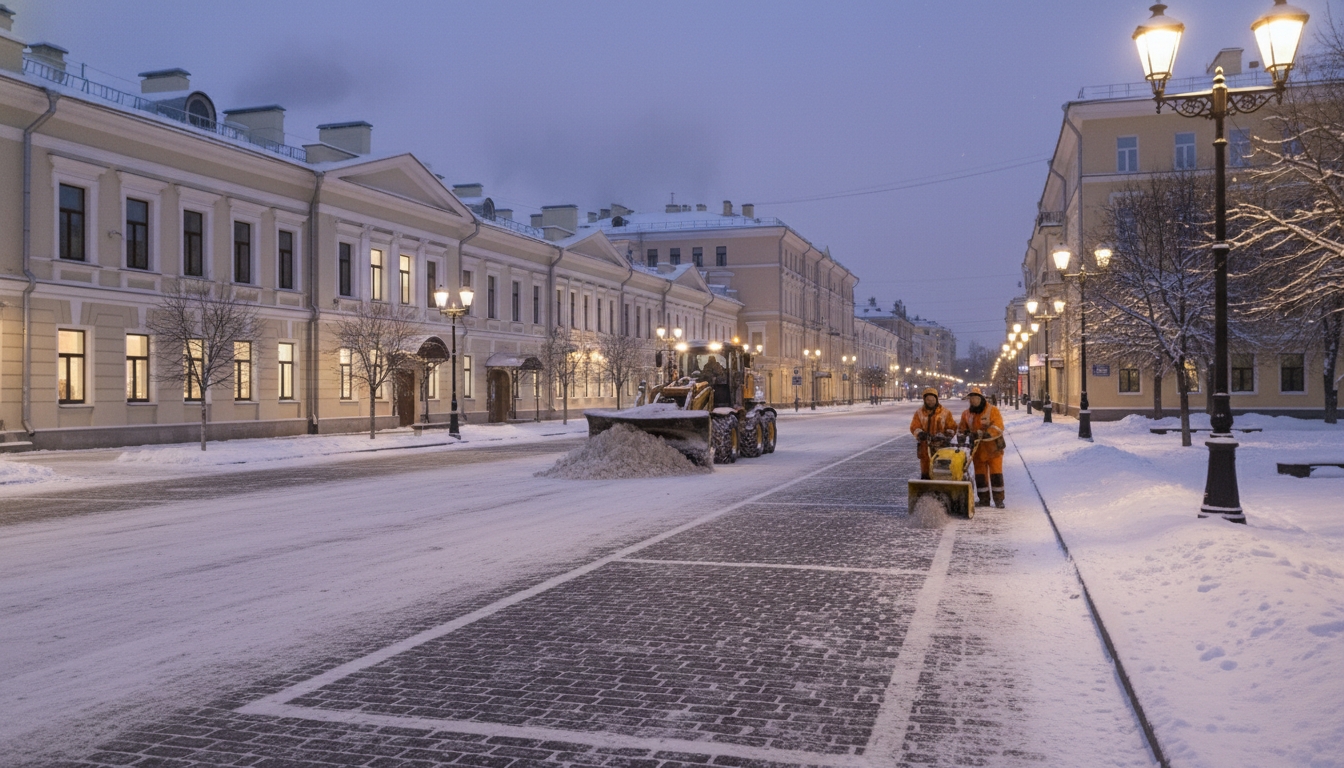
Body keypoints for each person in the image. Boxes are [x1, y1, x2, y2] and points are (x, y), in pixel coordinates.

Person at [959, 386, 1006, 508]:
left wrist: (987, 433)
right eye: (971, 398)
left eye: (976, 398)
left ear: (981, 398)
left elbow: (998, 426)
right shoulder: (967, 414)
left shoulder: (992, 410)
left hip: (993, 448)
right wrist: (962, 435)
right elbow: (962, 428)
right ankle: (984, 499)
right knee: (980, 476)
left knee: (996, 475)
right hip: (977, 450)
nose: (973, 400)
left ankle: (999, 500)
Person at [910, 387, 957, 480]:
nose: (930, 402)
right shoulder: (919, 413)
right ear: (924, 400)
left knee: (941, 471)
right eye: (928, 400)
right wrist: (920, 434)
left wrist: (947, 435)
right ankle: (926, 490)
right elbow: (914, 427)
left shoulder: (945, 413)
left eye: (932, 399)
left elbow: (952, 427)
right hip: (925, 446)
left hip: (942, 446)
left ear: (936, 399)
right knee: (926, 472)